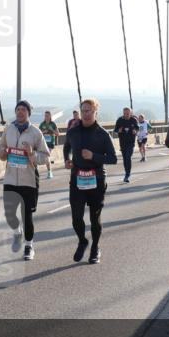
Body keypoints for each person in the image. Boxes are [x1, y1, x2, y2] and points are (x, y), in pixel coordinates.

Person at [63, 98, 117, 264]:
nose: (85, 114)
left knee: (95, 218)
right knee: (76, 217)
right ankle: (82, 241)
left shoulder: (102, 134)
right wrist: (67, 159)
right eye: (83, 110)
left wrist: (93, 156)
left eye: (89, 111)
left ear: (95, 112)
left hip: (96, 179)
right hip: (77, 178)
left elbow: (113, 158)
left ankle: (95, 248)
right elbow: (67, 147)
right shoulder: (73, 131)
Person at [0, 100, 50, 260]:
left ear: (28, 113)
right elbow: (1, 149)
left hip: (29, 180)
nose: (20, 112)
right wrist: (3, 153)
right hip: (10, 179)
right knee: (9, 214)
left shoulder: (35, 132)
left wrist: (31, 153)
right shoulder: (9, 129)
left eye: (23, 110)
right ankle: (17, 232)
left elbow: (45, 157)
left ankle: (29, 246)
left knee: (27, 216)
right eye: (18, 109)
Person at [113, 107, 140, 183]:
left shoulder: (133, 120)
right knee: (125, 159)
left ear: (130, 113)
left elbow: (137, 128)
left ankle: (127, 174)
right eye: (125, 113)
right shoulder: (119, 120)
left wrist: (135, 131)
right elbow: (115, 130)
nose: (126, 115)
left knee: (128, 156)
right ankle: (126, 172)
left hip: (131, 142)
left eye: (128, 114)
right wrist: (118, 130)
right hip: (122, 143)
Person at [39, 111, 60, 179]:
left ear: (50, 116)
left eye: (48, 116)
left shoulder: (53, 124)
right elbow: (38, 134)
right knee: (44, 157)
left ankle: (49, 172)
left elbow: (58, 134)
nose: (46, 117)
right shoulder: (42, 124)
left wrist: (52, 130)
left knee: (47, 156)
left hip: (50, 143)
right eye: (45, 116)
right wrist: (43, 132)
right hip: (43, 143)